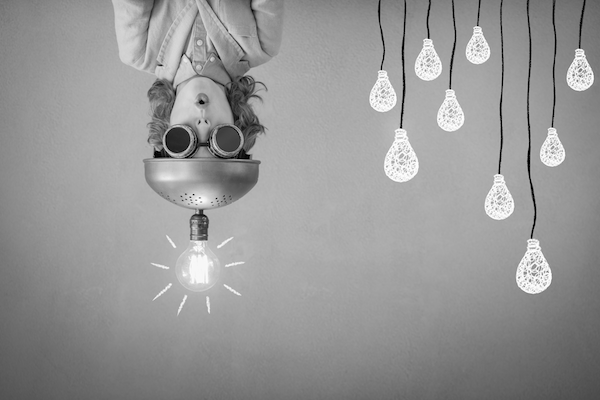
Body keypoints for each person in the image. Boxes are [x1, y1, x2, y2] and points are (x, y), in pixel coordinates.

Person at [112, 0, 284, 158]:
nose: (203, 123)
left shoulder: (138, 51)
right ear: (237, 122)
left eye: (182, 137)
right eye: (222, 137)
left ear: (166, 125)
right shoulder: (262, 46)